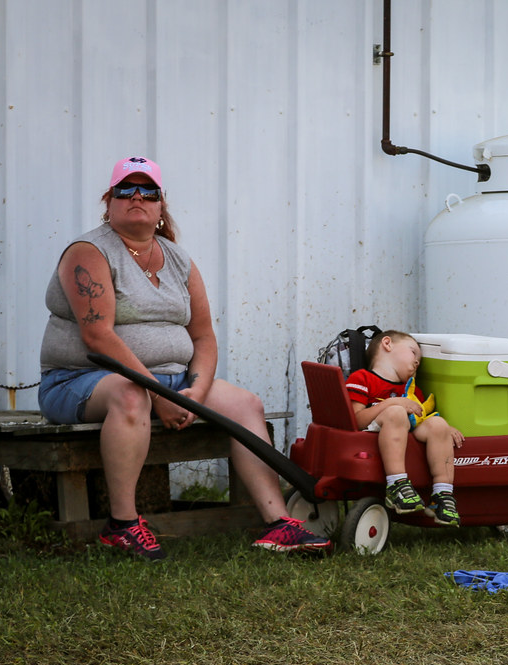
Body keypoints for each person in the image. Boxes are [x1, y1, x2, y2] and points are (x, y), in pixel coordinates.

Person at [38, 156, 332, 560]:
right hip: (80, 381)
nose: (137, 197)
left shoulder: (178, 259)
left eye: (148, 191)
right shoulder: (89, 253)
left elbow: (203, 335)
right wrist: (160, 394)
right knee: (130, 395)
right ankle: (121, 526)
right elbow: (97, 335)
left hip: (167, 382)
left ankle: (278, 524)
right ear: (109, 203)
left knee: (246, 404)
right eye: (125, 189)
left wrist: (196, 390)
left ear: (161, 206)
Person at [345, 331, 464, 526]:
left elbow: (421, 418)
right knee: (396, 413)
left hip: (407, 431)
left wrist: (445, 429)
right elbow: (356, 420)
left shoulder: (412, 390)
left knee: (439, 424)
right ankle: (397, 484)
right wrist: (392, 403)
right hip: (374, 430)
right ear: (387, 344)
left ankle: (442, 494)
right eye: (413, 353)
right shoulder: (362, 378)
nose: (417, 362)